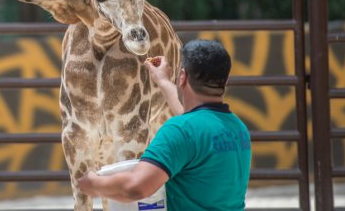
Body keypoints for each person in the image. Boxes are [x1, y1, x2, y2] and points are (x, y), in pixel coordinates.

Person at [77, 39, 251, 211]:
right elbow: (193, 129)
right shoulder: (237, 128)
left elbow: (136, 187)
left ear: (182, 77)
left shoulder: (180, 130)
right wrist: (163, 82)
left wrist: (95, 183)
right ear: (226, 80)